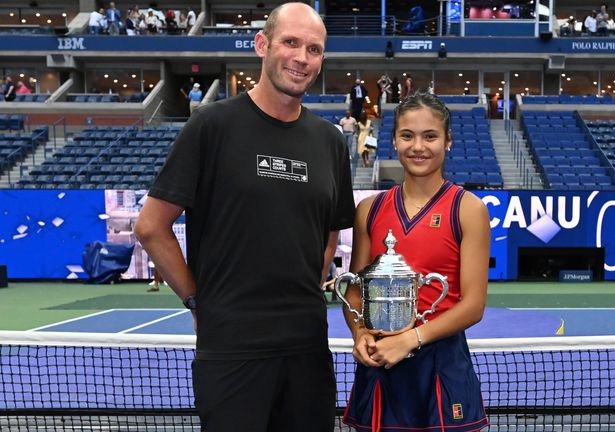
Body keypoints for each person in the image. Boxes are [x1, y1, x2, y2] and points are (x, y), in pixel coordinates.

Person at [133, 3, 355, 431]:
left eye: (314, 49)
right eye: (290, 42)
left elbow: (330, 235)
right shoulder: (211, 126)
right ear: (262, 45)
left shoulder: (330, 141)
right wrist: (197, 302)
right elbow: (150, 226)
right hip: (231, 347)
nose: (301, 58)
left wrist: (303, 291)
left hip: (307, 346)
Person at [341, 91, 491, 431]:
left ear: (448, 142)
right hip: (380, 364)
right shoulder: (370, 209)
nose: (418, 146)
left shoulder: (468, 209)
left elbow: (474, 305)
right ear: (394, 140)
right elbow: (354, 293)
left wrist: (410, 339)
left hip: (442, 364)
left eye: (430, 136)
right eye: (407, 135)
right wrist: (360, 332)